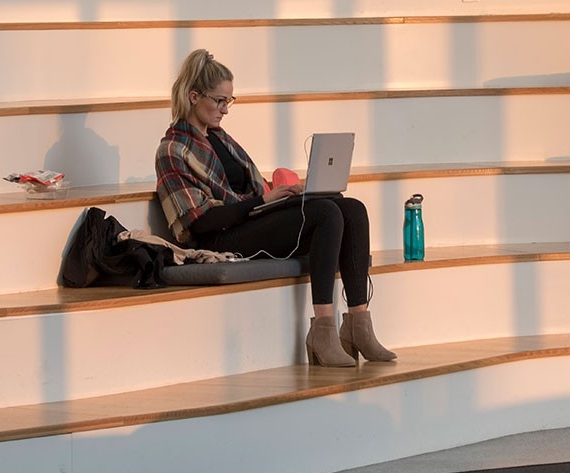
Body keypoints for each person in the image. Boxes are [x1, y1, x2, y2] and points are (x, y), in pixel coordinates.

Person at [155, 49, 396, 367]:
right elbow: (199, 222)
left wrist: (281, 195)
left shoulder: (221, 139)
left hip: (250, 219)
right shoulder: (173, 149)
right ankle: (323, 330)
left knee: (351, 208)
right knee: (325, 213)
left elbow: (249, 191)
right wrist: (263, 201)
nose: (225, 110)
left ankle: (357, 324)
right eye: (219, 101)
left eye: (230, 101)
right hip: (220, 238)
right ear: (193, 96)